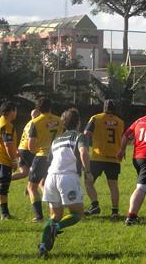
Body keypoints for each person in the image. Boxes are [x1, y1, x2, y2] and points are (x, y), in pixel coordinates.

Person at [38, 108, 91, 258]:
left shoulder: (56, 140)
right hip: (67, 177)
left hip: (51, 178)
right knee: (77, 214)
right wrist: (88, 172)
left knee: (54, 215)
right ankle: (57, 227)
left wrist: (43, 179)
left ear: (63, 123)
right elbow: (83, 152)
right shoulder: (79, 136)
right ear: (79, 122)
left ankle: (43, 247)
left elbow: (50, 161)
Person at [83, 99, 124, 219]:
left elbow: (86, 133)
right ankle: (115, 212)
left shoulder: (96, 118)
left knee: (88, 181)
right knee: (113, 185)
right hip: (114, 157)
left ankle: (94, 204)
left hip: (98, 156)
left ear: (104, 108)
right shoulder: (120, 121)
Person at [27, 98, 63, 222]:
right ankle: (54, 214)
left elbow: (30, 147)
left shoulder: (36, 122)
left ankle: (39, 216)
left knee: (32, 187)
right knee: (48, 186)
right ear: (50, 108)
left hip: (42, 156)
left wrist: (38, 149)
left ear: (38, 109)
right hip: (56, 156)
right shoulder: (59, 120)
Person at [12, 109, 40, 181]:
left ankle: (3, 180)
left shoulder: (28, 123)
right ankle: (31, 186)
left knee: (24, 173)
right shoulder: (35, 124)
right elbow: (32, 138)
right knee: (38, 170)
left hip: (21, 149)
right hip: (28, 149)